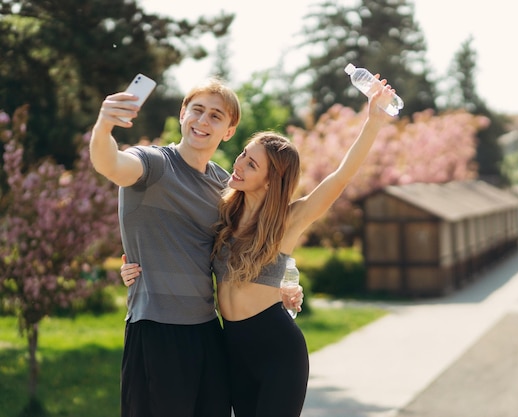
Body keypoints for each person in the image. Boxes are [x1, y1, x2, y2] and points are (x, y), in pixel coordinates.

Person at [121, 76, 397, 416]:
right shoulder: (222, 212)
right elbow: (176, 243)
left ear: (269, 181)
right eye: (242, 155)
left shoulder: (286, 223)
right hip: (230, 349)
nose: (237, 164)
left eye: (251, 164)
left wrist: (372, 123)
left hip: (277, 351)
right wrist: (133, 266)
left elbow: (338, 178)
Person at [90, 77, 302, 417]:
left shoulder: (226, 185)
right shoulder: (152, 163)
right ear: (182, 114)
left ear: (229, 131)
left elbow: (251, 245)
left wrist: (279, 287)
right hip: (157, 330)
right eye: (197, 110)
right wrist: (104, 127)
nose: (203, 121)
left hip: (207, 332)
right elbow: (110, 164)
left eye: (216, 116)